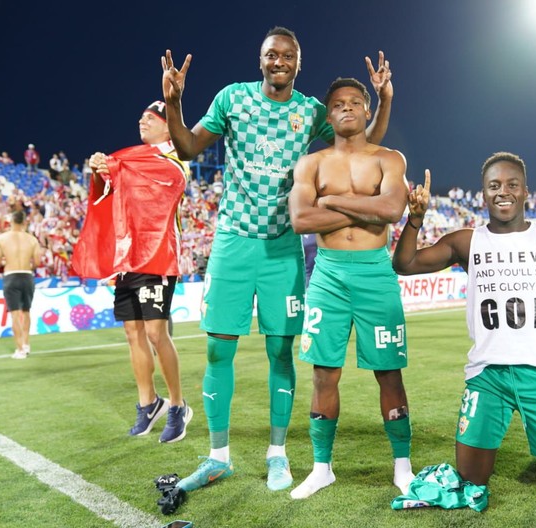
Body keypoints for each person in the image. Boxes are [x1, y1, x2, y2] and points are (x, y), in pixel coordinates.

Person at [161, 26, 393, 493]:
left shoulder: (310, 112)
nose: (279, 61)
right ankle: (217, 456)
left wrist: (384, 100)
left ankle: (277, 455)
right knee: (217, 348)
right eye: (272, 54)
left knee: (280, 351)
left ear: (297, 63)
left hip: (282, 247)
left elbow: (361, 143)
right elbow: (188, 147)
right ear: (261, 60)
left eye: (288, 55)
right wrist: (173, 101)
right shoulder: (232, 99)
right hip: (232, 242)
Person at [392, 152, 536, 499]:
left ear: (526, 191)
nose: (503, 191)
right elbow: (406, 264)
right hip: (488, 377)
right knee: (472, 481)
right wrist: (414, 219)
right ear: (483, 194)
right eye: (494, 186)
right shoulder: (466, 241)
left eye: (511, 184)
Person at [287, 78, 414, 499]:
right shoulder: (311, 163)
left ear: (365, 110)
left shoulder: (389, 158)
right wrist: (364, 212)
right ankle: (322, 467)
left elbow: (392, 209)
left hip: (376, 273)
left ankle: (402, 465)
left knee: (389, 372)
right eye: (338, 104)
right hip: (328, 275)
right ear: (329, 116)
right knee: (324, 373)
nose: (347, 109)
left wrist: (331, 202)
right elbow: (301, 221)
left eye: (355, 103)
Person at [73, 100, 193, 443]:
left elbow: (167, 184)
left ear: (168, 127)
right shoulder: (129, 162)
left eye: (151, 118)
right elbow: (108, 195)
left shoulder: (174, 162)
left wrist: (116, 165)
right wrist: (101, 170)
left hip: (158, 256)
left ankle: (177, 406)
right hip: (129, 258)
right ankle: (148, 403)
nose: (142, 121)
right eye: (140, 116)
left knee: (157, 333)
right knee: (133, 332)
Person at [0, 209, 42, 359]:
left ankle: (20, 349)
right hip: (27, 276)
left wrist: (8, 261)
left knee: (15, 314)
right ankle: (26, 344)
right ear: (24, 222)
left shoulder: (1, 238)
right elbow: (37, 262)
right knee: (26, 312)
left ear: (11, 221)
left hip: (11, 276)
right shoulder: (32, 239)